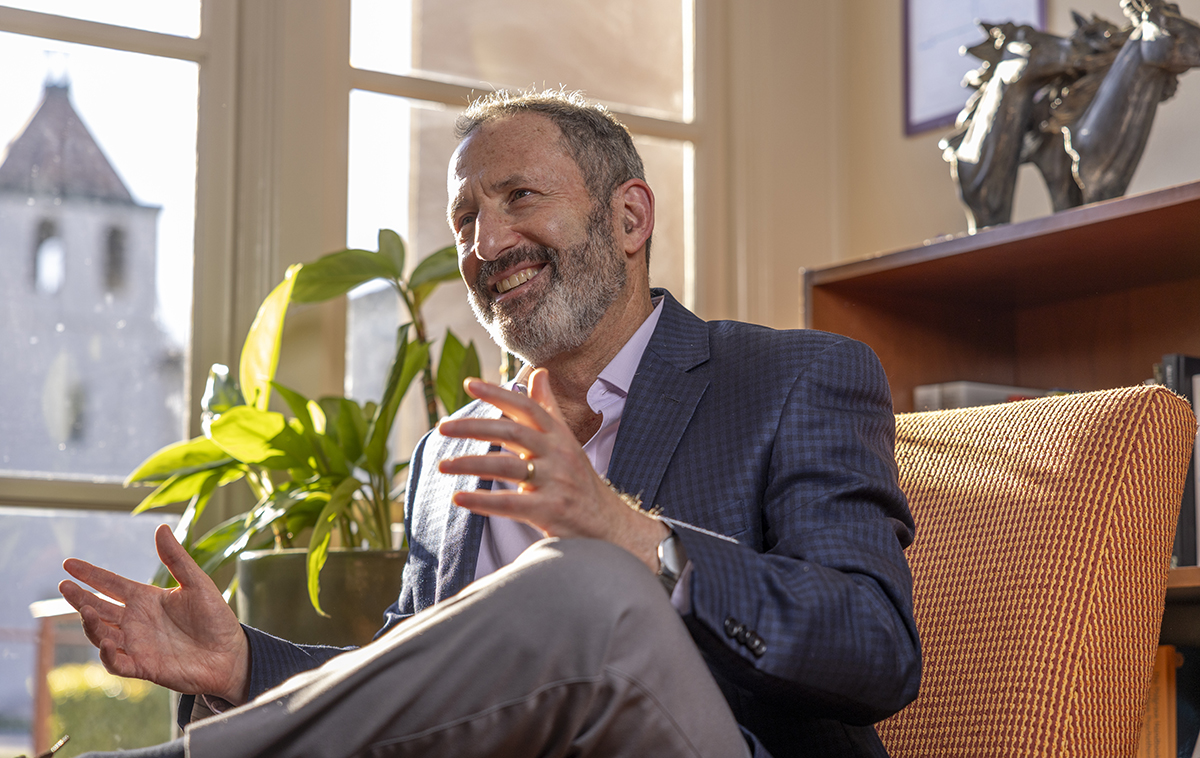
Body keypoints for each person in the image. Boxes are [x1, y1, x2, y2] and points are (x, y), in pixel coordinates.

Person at [58, 90, 921, 758]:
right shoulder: (448, 455)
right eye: (465, 219)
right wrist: (242, 664)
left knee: (590, 581)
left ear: (629, 218)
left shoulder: (793, 378)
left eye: (519, 197)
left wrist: (632, 538)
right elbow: (417, 690)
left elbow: (877, 650)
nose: (485, 245)